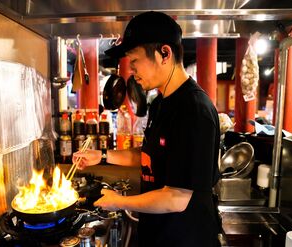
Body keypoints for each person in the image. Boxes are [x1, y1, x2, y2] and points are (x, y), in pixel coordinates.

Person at [73, 11, 221, 247]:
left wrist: (120, 201)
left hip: (185, 238)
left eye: (135, 61)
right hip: (159, 233)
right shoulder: (160, 103)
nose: (132, 71)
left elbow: (176, 198)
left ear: (164, 53)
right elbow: (148, 154)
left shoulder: (193, 110)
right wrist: (101, 156)